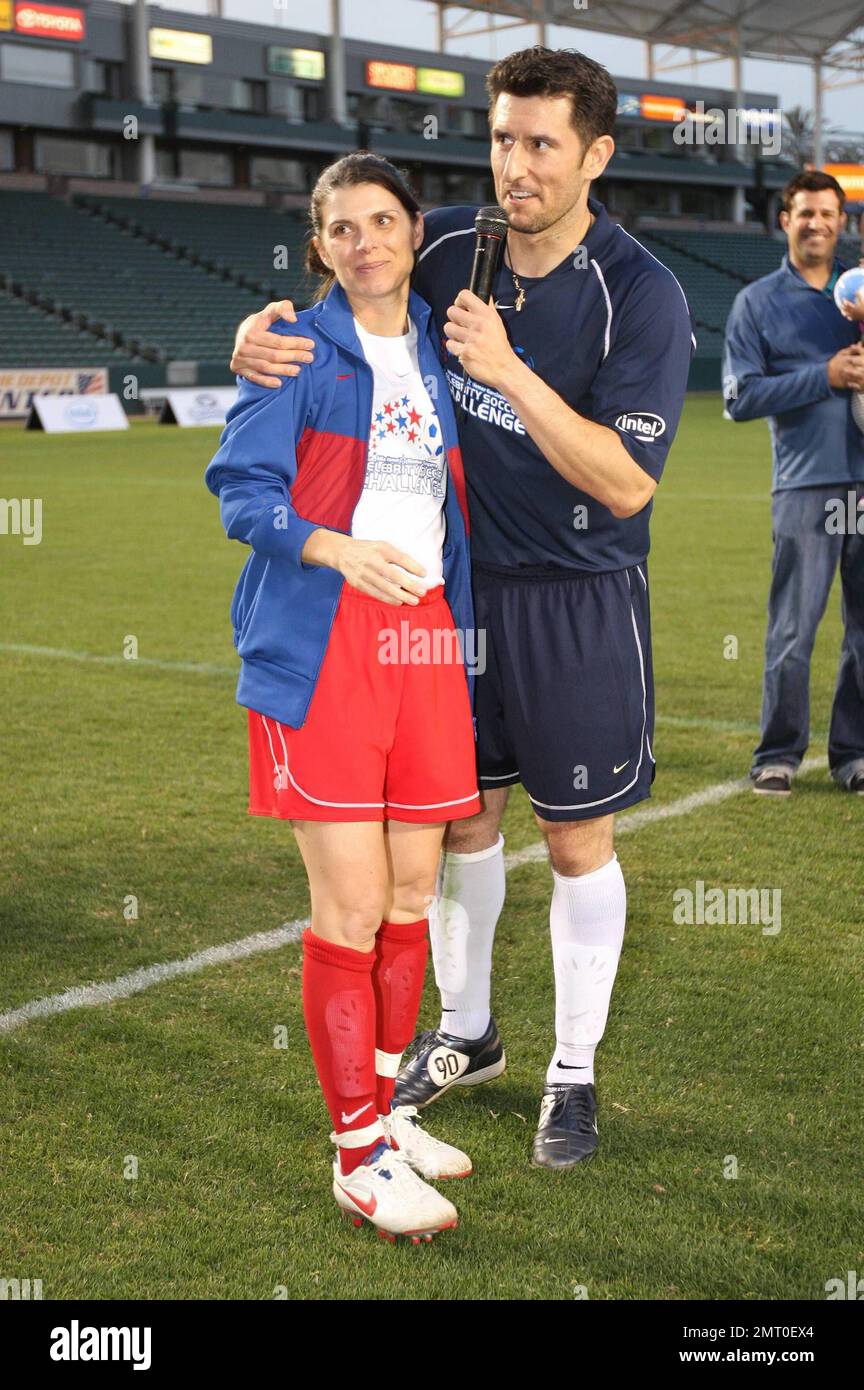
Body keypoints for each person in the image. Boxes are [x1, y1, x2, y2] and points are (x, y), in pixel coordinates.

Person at [228, 47, 694, 1169]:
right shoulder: (443, 249)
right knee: (460, 822)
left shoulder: (641, 292)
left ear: (596, 155)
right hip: (451, 597)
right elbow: (348, 297)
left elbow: (627, 481)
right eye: (501, 138)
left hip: (578, 599)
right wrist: (254, 335)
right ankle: (467, 1030)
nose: (516, 164)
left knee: (576, 838)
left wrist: (512, 368)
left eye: (542, 144)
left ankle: (572, 1072)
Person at [205, 152, 482, 1242]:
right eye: (342, 228)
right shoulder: (292, 350)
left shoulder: (444, 344)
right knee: (353, 906)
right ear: (319, 247)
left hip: (427, 642)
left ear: (417, 232)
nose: (365, 242)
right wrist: (332, 548)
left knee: (416, 893)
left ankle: (389, 1105)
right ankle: (355, 1155)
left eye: (383, 221)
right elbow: (240, 490)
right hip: (324, 641)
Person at [723, 170, 864, 797]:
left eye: (828, 213)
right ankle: (778, 754)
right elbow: (740, 396)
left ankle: (854, 756)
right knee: (793, 630)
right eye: (804, 213)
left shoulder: (859, 296)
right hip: (806, 487)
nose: (816, 223)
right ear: (786, 221)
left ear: (842, 222)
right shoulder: (757, 302)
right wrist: (825, 374)